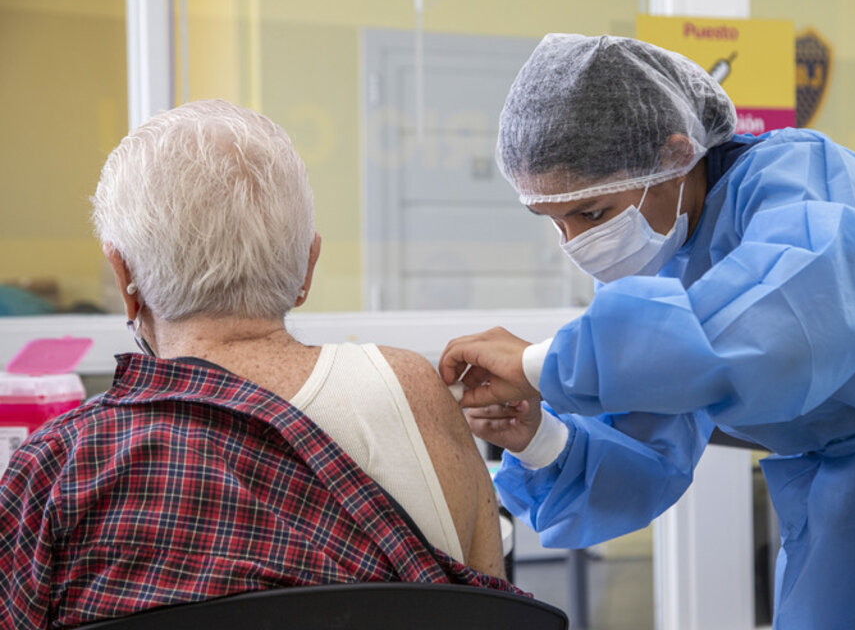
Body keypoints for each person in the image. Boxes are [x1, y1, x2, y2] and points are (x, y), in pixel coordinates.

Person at [439, 33, 855, 629]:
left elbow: (768, 333)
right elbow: (646, 449)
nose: (576, 244)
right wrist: (537, 437)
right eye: (552, 222)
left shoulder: (797, 181)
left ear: (674, 154)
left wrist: (538, 363)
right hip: (840, 515)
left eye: (591, 213)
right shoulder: (657, 259)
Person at [0, 100, 513, 628]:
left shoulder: (60, 466)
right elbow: (498, 615)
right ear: (307, 267)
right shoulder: (412, 392)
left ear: (123, 276)